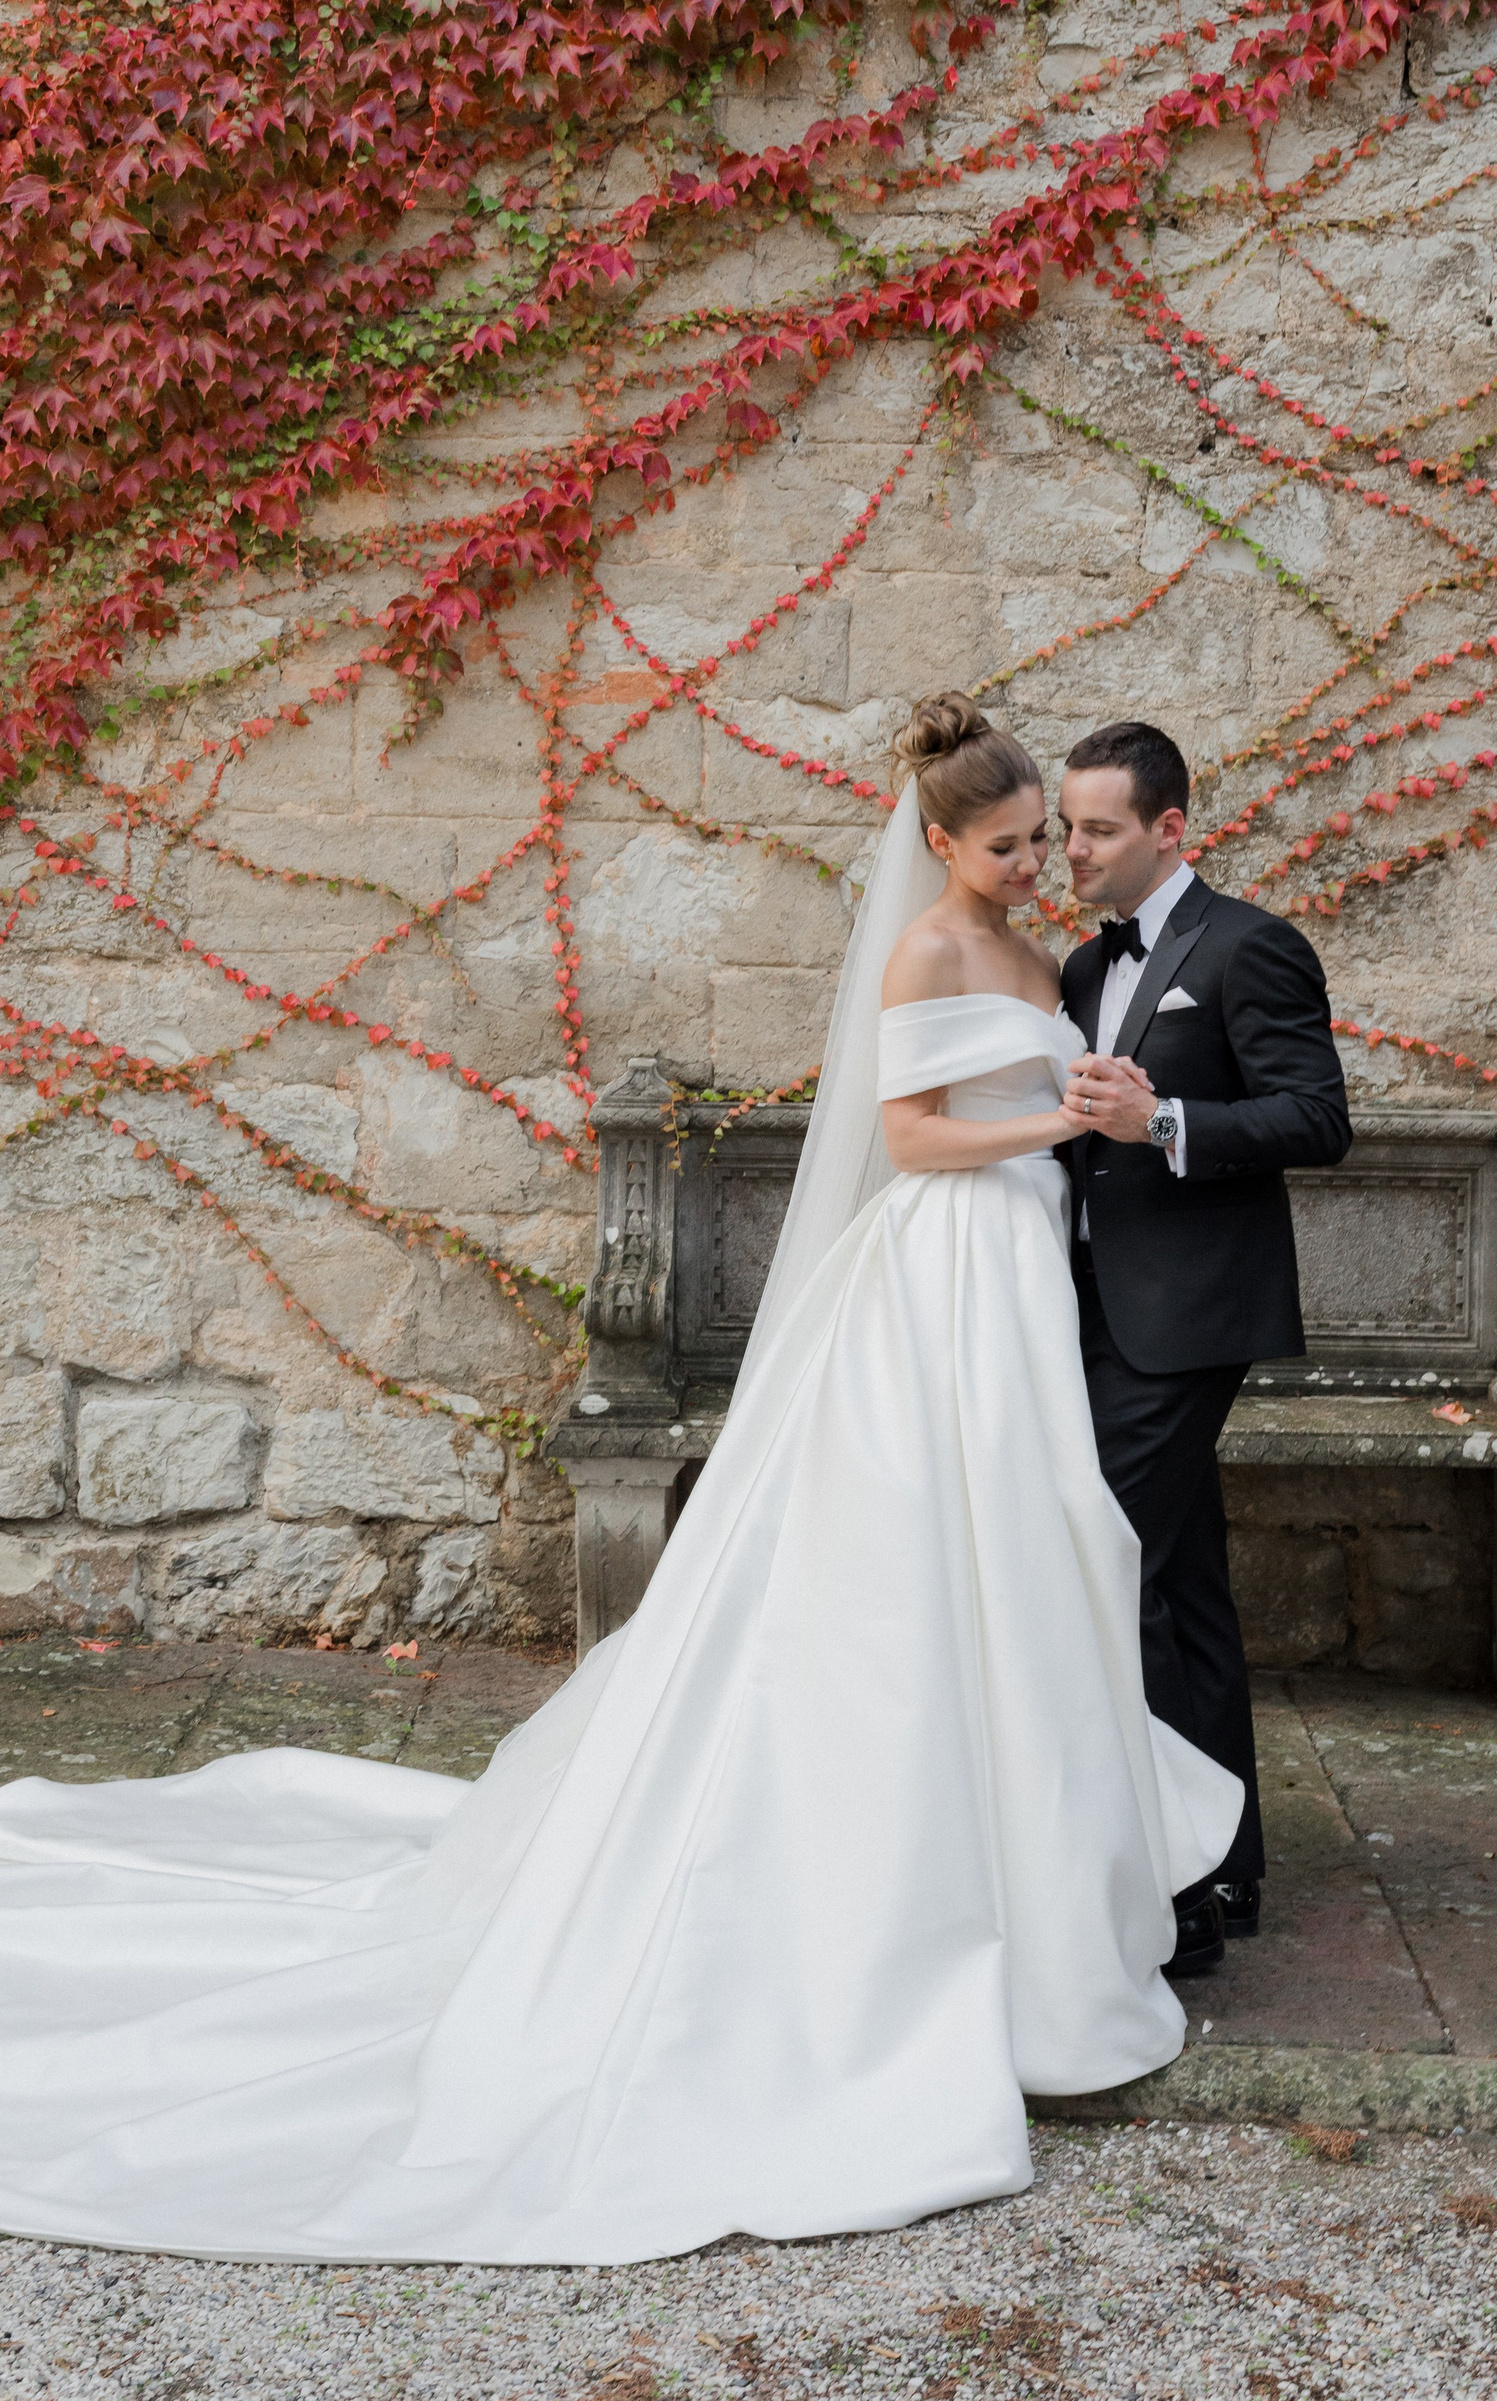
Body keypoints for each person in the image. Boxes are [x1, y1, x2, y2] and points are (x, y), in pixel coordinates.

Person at [0, 693, 1238, 2266]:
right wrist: (1047, 1122)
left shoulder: (1046, 959)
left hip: (1020, 1282)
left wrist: (1084, 1123)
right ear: (937, 842)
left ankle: (1038, 1878)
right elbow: (909, 1136)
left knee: (1036, 1552)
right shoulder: (926, 951)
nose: (1032, 865)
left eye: (1040, 842)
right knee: (917, 1565)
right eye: (1004, 846)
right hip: (941, 1270)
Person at [1058, 721, 1352, 1978]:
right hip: (1086, 1309)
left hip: (1189, 1318)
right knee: (1178, 1576)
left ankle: (1169, 1883)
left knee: (1102, 1558)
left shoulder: (1249, 945)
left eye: (1099, 830)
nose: (1074, 852)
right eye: (1067, 828)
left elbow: (1318, 1118)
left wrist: (1164, 1118)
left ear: (1170, 828)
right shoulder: (1082, 965)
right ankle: (1224, 1862)